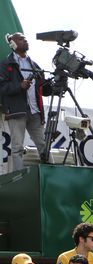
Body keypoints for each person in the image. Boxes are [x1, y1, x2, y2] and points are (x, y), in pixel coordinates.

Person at [0, 33, 50, 171]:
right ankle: (19, 178)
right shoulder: (5, 64)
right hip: (16, 111)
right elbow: (1, 87)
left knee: (44, 145)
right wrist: (19, 86)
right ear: (12, 43)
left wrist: (54, 86)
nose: (25, 40)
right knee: (17, 148)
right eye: (21, 39)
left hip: (35, 111)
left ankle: (50, 176)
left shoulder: (34, 64)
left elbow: (43, 89)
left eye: (25, 39)